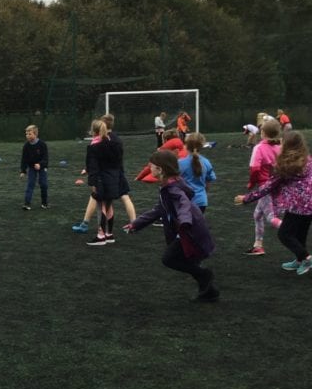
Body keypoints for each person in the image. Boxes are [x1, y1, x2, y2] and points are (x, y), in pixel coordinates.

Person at [125, 150, 219, 302]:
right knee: (188, 260)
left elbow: (183, 204)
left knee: (169, 258)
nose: (149, 168)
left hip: (190, 229)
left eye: (151, 166)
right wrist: (136, 224)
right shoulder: (169, 184)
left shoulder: (172, 188)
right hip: (189, 228)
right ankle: (209, 291)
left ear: (160, 169)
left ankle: (205, 276)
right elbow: (158, 209)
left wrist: (184, 221)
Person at [235, 130, 312, 275]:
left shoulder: (285, 165)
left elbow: (268, 186)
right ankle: (300, 260)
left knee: (284, 234)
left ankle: (307, 258)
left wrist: (246, 198)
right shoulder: (308, 159)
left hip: (297, 205)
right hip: (310, 204)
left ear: (286, 145)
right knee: (300, 234)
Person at [71, 113, 136, 231]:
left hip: (106, 176)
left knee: (100, 200)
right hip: (118, 172)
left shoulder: (102, 141)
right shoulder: (117, 139)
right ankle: (135, 223)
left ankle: (91, 227)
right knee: (124, 197)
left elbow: (98, 160)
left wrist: (90, 170)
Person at [243, 117, 283, 256]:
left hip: (265, 187)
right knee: (257, 215)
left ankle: (291, 230)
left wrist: (251, 183)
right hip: (278, 185)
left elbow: (254, 169)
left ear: (263, 133)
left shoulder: (259, 148)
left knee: (271, 218)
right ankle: (258, 245)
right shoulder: (280, 147)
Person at [84, 119, 123, 246]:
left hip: (101, 179)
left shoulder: (94, 147)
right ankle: (109, 234)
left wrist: (93, 183)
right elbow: (118, 163)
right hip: (114, 178)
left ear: (93, 131)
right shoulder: (115, 144)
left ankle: (100, 236)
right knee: (109, 205)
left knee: (101, 207)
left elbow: (93, 167)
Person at [178, 133, 217, 212]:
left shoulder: (180, 163)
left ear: (186, 146)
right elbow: (208, 183)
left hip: (184, 201)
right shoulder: (206, 162)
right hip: (201, 201)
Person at [19, 124, 48, 209]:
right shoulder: (26, 146)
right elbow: (24, 159)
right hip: (32, 167)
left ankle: (44, 203)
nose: (27, 136)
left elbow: (45, 158)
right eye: (26, 134)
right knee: (30, 184)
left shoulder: (42, 144)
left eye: (29, 134)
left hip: (42, 167)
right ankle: (27, 204)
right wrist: (23, 171)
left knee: (44, 184)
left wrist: (40, 164)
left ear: (35, 134)